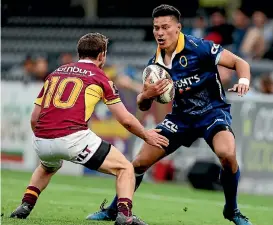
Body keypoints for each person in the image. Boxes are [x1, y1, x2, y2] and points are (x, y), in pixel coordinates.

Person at [86, 5, 252, 225]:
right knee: (137, 164)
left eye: (165, 27)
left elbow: (240, 63)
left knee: (227, 155)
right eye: (156, 28)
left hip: (211, 113)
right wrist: (147, 94)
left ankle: (232, 210)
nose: (160, 32)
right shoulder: (154, 65)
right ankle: (113, 209)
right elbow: (143, 105)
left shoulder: (198, 47)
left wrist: (243, 81)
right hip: (180, 119)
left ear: (178, 28)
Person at [9, 32, 170, 225]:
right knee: (125, 168)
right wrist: (146, 135)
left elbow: (35, 117)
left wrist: (46, 138)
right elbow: (125, 119)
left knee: (47, 166)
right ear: (102, 55)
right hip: (73, 137)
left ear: (79, 53)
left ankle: (26, 205)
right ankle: (125, 216)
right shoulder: (100, 77)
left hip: (42, 139)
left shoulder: (55, 73)